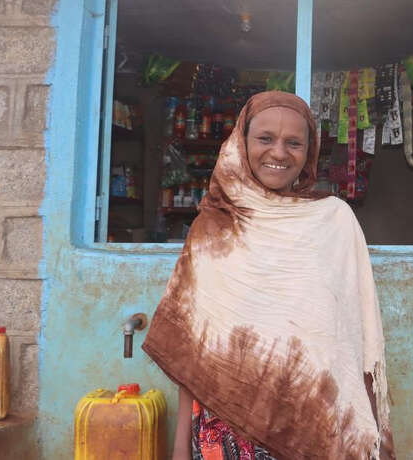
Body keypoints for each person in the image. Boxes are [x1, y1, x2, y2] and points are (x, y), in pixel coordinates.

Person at [142, 91, 394, 460]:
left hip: (310, 427)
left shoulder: (333, 220)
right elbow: (192, 354)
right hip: (221, 433)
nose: (279, 152)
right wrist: (181, 447)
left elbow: (355, 337)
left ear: (309, 153)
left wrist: (373, 431)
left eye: (294, 143)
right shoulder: (214, 228)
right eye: (265, 139)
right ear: (241, 144)